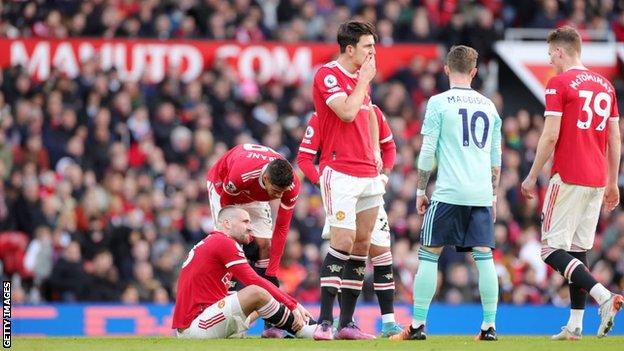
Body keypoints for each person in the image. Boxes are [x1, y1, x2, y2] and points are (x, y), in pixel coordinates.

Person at [391, 45, 502, 341]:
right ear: (475, 72)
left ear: (446, 69)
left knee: (429, 254)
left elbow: (427, 152)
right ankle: (489, 326)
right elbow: (495, 158)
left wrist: (419, 189)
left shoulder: (439, 102)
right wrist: (493, 195)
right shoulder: (489, 106)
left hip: (449, 192)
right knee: (484, 257)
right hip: (480, 194)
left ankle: (416, 326)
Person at [520, 26, 623, 340]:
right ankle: (575, 325)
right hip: (595, 179)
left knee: (551, 250)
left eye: (550, 52)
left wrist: (532, 174)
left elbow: (550, 135)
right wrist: (612, 181)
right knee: (577, 251)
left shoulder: (559, 83)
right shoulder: (605, 86)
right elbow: (615, 138)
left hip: (567, 176)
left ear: (561, 51)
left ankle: (604, 297)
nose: (550, 59)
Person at [297, 105, 402, 337]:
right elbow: (304, 158)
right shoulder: (323, 116)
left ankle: (383, 323)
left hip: (370, 188)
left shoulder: (372, 111)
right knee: (343, 246)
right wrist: (323, 186)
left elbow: (390, 146)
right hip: (342, 187)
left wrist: (384, 176)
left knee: (378, 251)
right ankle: (328, 321)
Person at [310, 20, 385, 340]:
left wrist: (376, 151)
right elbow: (346, 112)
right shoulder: (327, 74)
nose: (373, 53)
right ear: (350, 48)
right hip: (339, 170)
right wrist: (363, 81)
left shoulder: (360, 79)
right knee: (341, 241)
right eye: (368, 46)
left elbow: (367, 113)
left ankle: (347, 324)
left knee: (362, 244)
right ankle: (325, 321)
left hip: (367, 171)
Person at [172, 206, 315, 339]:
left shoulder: (212, 242)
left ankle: (298, 325)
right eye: (245, 222)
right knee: (256, 292)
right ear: (227, 224)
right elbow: (253, 280)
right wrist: (293, 304)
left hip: (202, 319)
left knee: (262, 300)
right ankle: (302, 329)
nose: (250, 228)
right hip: (196, 326)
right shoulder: (223, 242)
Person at [205, 143, 300, 337]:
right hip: (223, 187)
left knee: (265, 245)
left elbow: (281, 228)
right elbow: (228, 214)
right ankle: (224, 305)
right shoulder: (239, 174)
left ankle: (271, 321)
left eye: (282, 192)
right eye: (275, 191)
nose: (278, 196)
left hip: (254, 192)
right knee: (227, 244)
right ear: (266, 178)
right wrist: (240, 238)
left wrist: (272, 273)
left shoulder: (291, 185)